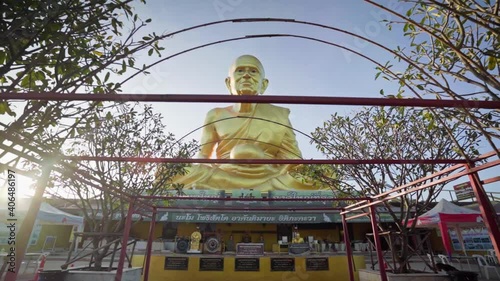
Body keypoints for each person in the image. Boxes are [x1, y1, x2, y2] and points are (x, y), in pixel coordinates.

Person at [173, 55, 316, 191]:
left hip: (268, 175)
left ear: (264, 85)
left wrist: (276, 171)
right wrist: (212, 170)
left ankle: (247, 188)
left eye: (253, 71)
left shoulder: (278, 115)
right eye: (240, 70)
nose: (246, 75)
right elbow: (203, 157)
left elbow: (293, 159)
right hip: (224, 174)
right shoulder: (215, 115)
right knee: (170, 171)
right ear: (229, 83)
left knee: (325, 173)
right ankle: (262, 190)